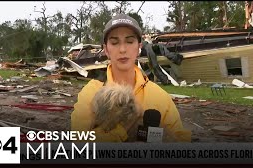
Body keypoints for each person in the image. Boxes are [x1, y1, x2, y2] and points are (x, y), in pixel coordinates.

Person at [71, 13, 191, 142]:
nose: (122, 49)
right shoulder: (91, 92)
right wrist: (124, 129)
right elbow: (79, 142)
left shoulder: (160, 97)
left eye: (129, 41)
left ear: (139, 47)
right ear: (106, 50)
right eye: (115, 42)